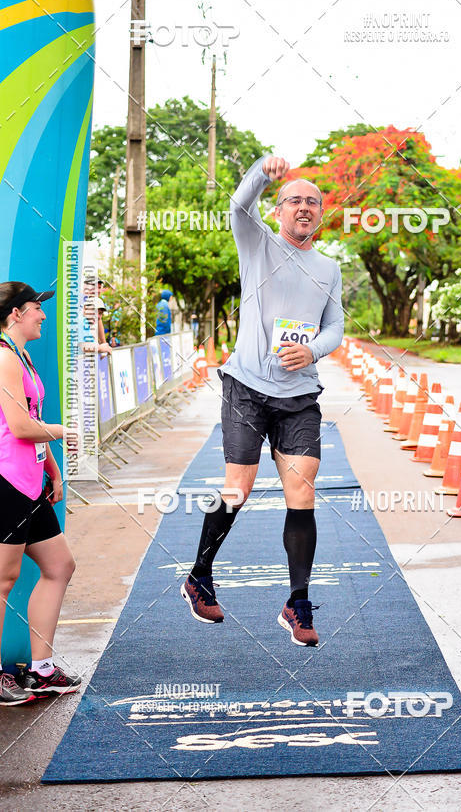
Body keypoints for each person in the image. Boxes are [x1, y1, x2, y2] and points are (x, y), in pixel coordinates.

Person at [181, 155, 344, 647]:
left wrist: (311, 349)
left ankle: (297, 603)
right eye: (294, 199)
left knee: (302, 489)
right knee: (238, 488)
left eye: (313, 201)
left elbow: (335, 327)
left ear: (321, 214)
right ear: (278, 210)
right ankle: (199, 576)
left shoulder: (329, 266)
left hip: (298, 394)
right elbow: (237, 206)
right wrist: (260, 172)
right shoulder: (257, 245)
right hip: (246, 386)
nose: (304, 207)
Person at [0, 282, 81, 705]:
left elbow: (34, 419)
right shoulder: (0, 357)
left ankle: (41, 669)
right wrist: (68, 433)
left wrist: (53, 471)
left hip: (30, 481)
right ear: (15, 314)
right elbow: (20, 427)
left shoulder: (20, 355)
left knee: (60, 565)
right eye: (35, 309)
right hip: (3, 480)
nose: (42, 315)